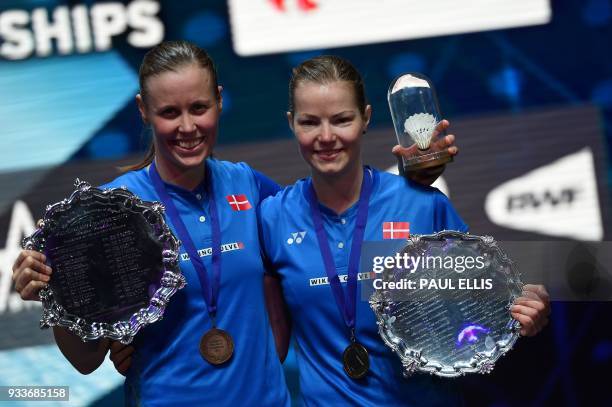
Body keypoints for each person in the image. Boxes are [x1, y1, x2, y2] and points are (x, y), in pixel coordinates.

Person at [10, 42, 457, 405]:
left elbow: (332, 203)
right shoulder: (115, 210)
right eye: (169, 112)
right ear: (144, 111)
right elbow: (87, 360)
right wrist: (57, 299)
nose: (188, 127)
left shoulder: (249, 186)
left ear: (220, 102)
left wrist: (414, 183)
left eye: (199, 108)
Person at [258, 55, 551, 406]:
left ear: (365, 118)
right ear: (292, 123)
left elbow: (481, 305)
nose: (326, 136)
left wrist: (524, 311)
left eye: (341, 120)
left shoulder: (422, 205)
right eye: (309, 122)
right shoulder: (272, 218)